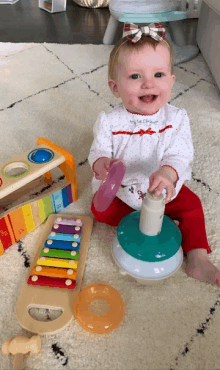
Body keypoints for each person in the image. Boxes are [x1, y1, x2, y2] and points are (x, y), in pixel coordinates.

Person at [88, 22, 220, 286]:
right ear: (115, 88)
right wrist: (103, 164)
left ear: (171, 82)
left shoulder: (177, 118)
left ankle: (198, 258)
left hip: (163, 188)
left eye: (159, 75)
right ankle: (146, 223)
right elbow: (98, 150)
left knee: (192, 206)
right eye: (135, 77)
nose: (148, 83)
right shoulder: (109, 121)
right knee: (98, 211)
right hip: (124, 190)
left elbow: (181, 154)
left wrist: (168, 173)